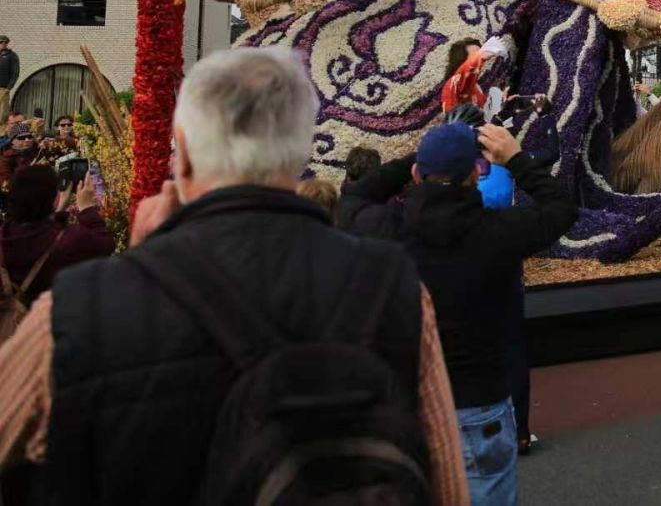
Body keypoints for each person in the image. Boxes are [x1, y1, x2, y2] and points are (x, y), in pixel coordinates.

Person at [0, 47, 469, 503]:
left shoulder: (76, 310)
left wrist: (136, 270)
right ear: (301, 152)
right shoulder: (393, 289)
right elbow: (447, 486)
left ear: (182, 152)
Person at [338, 113, 575, 505]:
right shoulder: (499, 231)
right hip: (479, 404)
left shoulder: (385, 227)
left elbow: (353, 196)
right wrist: (515, 158)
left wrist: (425, 155)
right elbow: (561, 207)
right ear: (475, 175)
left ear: (416, 174)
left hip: (408, 404)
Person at [0, 165, 113, 305]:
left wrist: (58, 210)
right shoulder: (69, 240)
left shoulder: (5, 236)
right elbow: (105, 245)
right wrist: (87, 209)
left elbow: (36, 231)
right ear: (54, 199)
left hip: (20, 315)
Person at [0, 37, 17, 118]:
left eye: (5, 42)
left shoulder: (12, 56)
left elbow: (15, 73)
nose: (3, 44)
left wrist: (9, 87)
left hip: (3, 89)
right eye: (1, 42)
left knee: (2, 114)